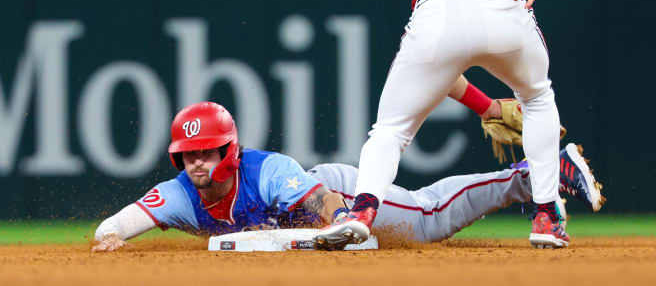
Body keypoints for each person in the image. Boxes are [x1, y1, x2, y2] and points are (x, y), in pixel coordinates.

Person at [315, 0, 567, 250]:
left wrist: (488, 107)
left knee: (389, 130)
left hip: (434, 14)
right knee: (537, 98)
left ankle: (362, 210)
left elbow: (447, 64)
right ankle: (546, 214)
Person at [92, 101, 603, 252]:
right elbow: (117, 223)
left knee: (426, 216)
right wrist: (111, 237)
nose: (196, 163)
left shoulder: (267, 171)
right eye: (188, 154)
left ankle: (534, 171)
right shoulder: (182, 193)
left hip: (332, 191)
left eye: (207, 152)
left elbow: (326, 207)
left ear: (230, 150)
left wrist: (345, 225)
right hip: (316, 213)